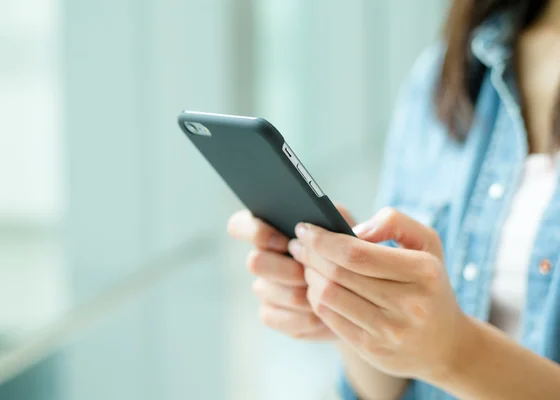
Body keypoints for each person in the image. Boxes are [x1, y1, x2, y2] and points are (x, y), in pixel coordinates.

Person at [227, 0, 560, 399]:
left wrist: (454, 351)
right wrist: (349, 313)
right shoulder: (447, 69)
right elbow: (389, 390)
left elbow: (441, 353)